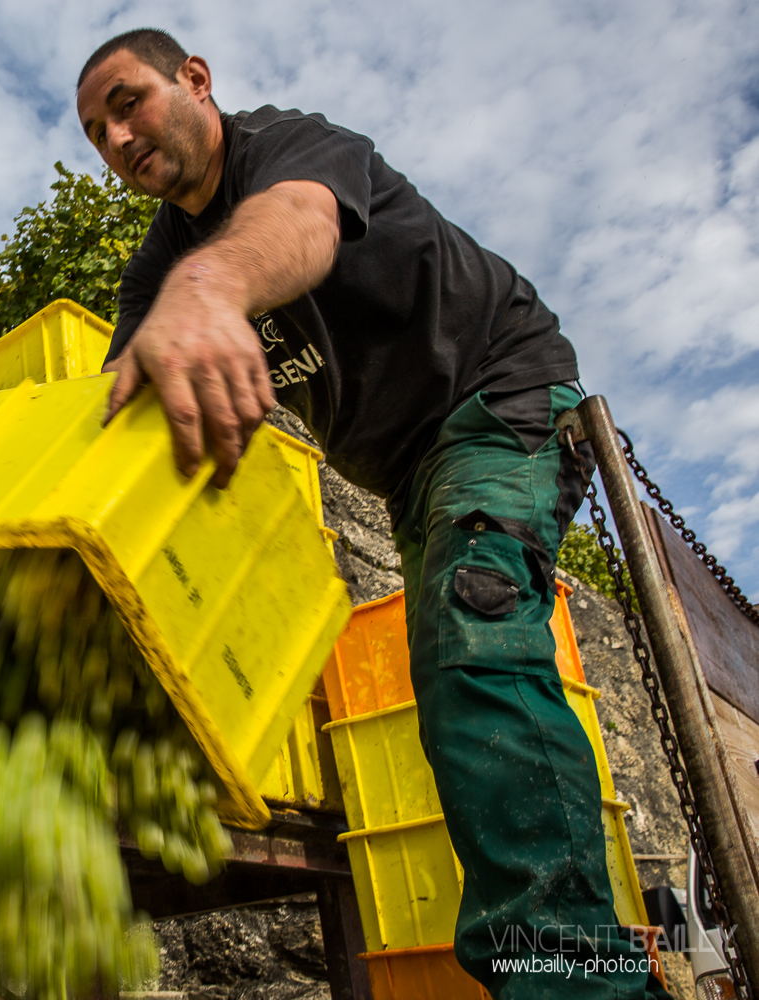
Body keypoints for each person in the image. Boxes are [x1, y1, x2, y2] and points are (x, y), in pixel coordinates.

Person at [76, 28, 671, 1000]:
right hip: (407, 477)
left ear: (194, 80)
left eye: (128, 100)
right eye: (97, 130)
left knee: (472, 641)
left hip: (495, 395)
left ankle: (584, 985)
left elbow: (300, 225)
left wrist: (214, 285)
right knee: (453, 695)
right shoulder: (157, 266)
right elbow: (118, 404)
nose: (117, 136)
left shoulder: (291, 150)